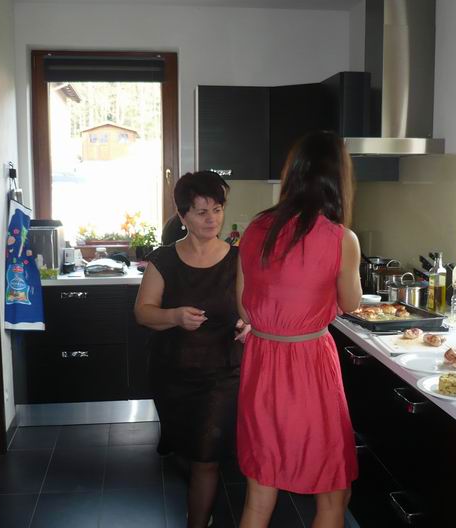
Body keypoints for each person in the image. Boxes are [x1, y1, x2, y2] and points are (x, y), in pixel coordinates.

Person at [235, 131, 362, 528]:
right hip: (309, 367)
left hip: (261, 364)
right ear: (338, 179)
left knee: (260, 494)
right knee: (333, 493)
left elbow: (244, 305)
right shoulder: (341, 239)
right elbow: (351, 303)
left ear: (292, 174)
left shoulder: (255, 229)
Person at [134, 170, 249, 528]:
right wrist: (174, 316)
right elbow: (143, 312)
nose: (212, 219)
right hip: (172, 373)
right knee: (185, 450)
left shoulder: (238, 259)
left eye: (217, 209)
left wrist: (249, 325)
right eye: (201, 212)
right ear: (182, 216)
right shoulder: (164, 260)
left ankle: (198, 520)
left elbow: (247, 311)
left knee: (206, 458)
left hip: (222, 374)